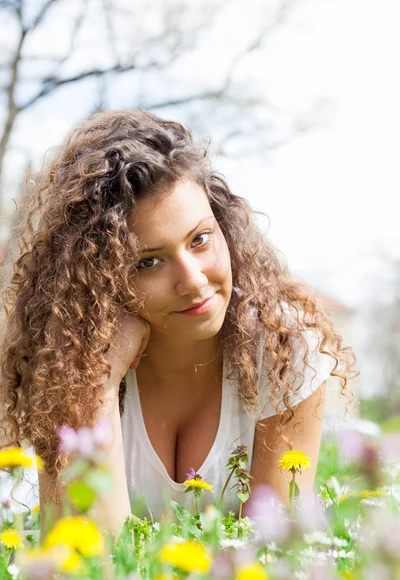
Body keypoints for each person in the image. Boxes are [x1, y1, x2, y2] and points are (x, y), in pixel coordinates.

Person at [0, 109, 358, 540]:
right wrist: (97, 379)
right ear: (103, 279)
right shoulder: (66, 369)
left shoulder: (285, 350)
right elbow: (84, 566)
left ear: (224, 226)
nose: (192, 280)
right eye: (149, 262)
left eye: (200, 239)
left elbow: (273, 555)